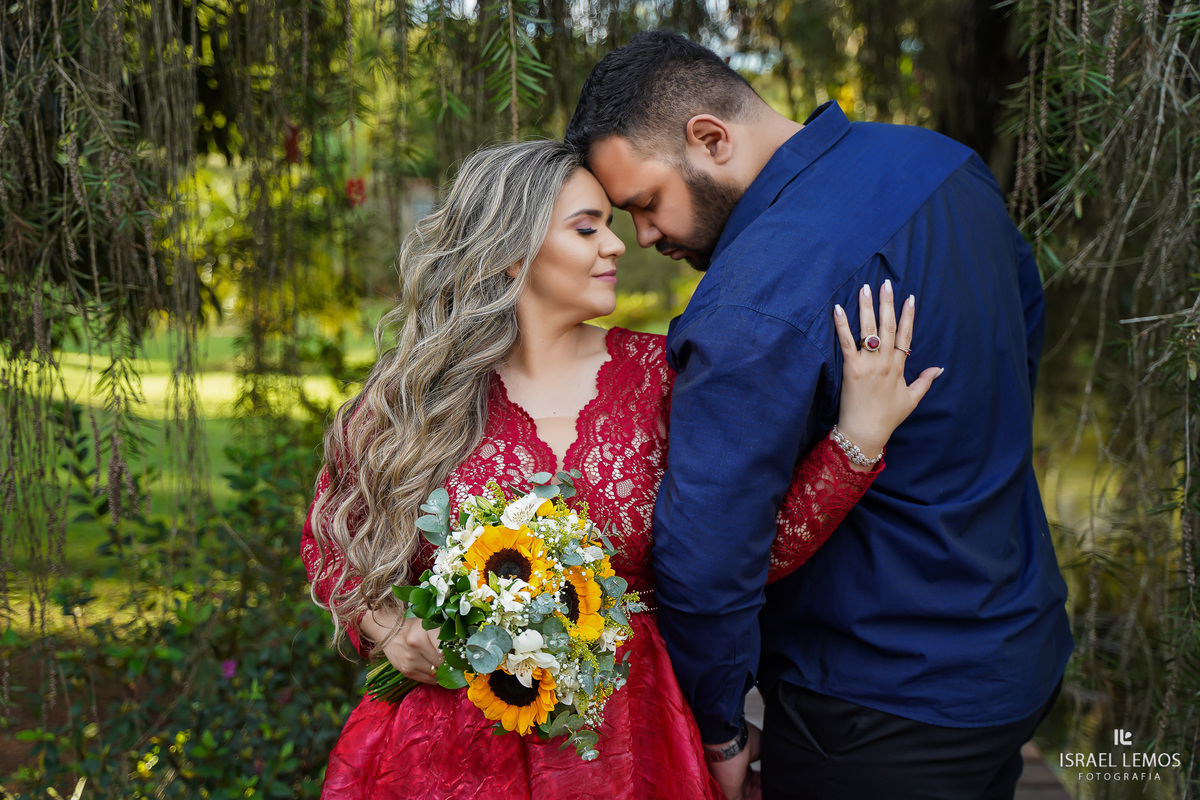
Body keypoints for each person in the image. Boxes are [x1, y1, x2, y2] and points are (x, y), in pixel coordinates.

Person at [302, 140, 939, 799]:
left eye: (610, 223)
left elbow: (747, 549)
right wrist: (390, 630)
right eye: (588, 228)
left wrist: (859, 436)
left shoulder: (668, 379)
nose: (616, 245)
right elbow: (332, 547)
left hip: (629, 748)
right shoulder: (414, 398)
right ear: (510, 251)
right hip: (448, 757)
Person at [564, 30, 1074, 800]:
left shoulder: (752, 299)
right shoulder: (941, 164)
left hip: (878, 703)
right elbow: (1020, 340)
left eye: (646, 204)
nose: (644, 237)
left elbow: (708, 558)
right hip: (1017, 648)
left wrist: (719, 726)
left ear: (710, 138)